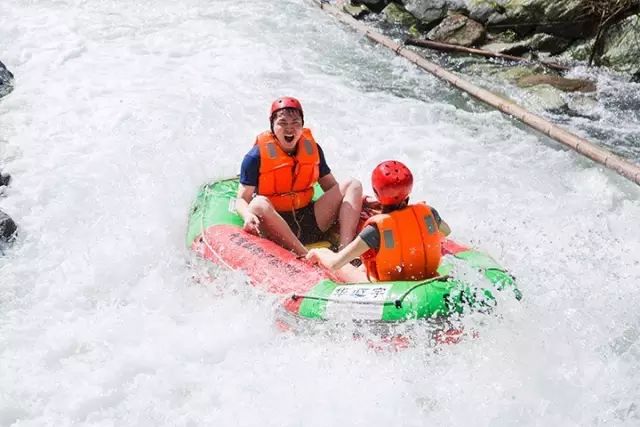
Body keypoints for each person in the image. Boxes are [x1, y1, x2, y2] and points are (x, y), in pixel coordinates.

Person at [235, 96, 363, 256]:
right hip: (276, 224)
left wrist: (358, 201)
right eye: (282, 123)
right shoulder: (255, 156)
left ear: (302, 125)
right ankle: (305, 256)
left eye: (295, 123)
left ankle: (346, 252)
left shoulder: (313, 149)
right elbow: (242, 199)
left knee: (353, 184)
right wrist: (247, 215)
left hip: (309, 219)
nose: (290, 129)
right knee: (258, 204)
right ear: (272, 126)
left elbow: (331, 186)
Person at [306, 160, 451, 282]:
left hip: (383, 285)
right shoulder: (429, 213)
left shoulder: (376, 229)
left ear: (376, 193)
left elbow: (335, 264)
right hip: (423, 274)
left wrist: (319, 254)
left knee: (326, 253)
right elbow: (447, 231)